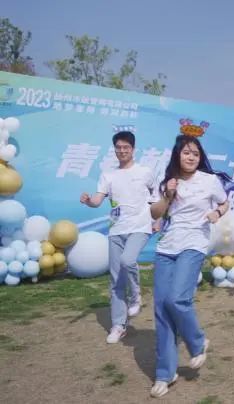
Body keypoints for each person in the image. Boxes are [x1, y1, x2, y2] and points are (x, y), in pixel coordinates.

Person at [149, 135, 230, 398]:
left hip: (194, 243)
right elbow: (155, 213)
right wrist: (168, 195)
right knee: (162, 308)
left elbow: (224, 202)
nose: (191, 157)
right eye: (186, 153)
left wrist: (217, 213)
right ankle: (165, 373)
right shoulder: (168, 181)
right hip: (167, 247)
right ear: (177, 155)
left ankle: (197, 341)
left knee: (177, 299)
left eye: (195, 153)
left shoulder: (209, 180)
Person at [79, 131, 155, 344]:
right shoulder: (108, 175)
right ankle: (118, 325)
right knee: (116, 280)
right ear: (115, 149)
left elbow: (156, 197)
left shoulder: (145, 172)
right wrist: (88, 201)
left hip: (140, 226)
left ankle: (136, 295)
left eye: (126, 147)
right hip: (116, 230)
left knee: (128, 260)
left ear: (133, 149)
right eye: (118, 148)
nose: (122, 151)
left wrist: (157, 218)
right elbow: (97, 200)